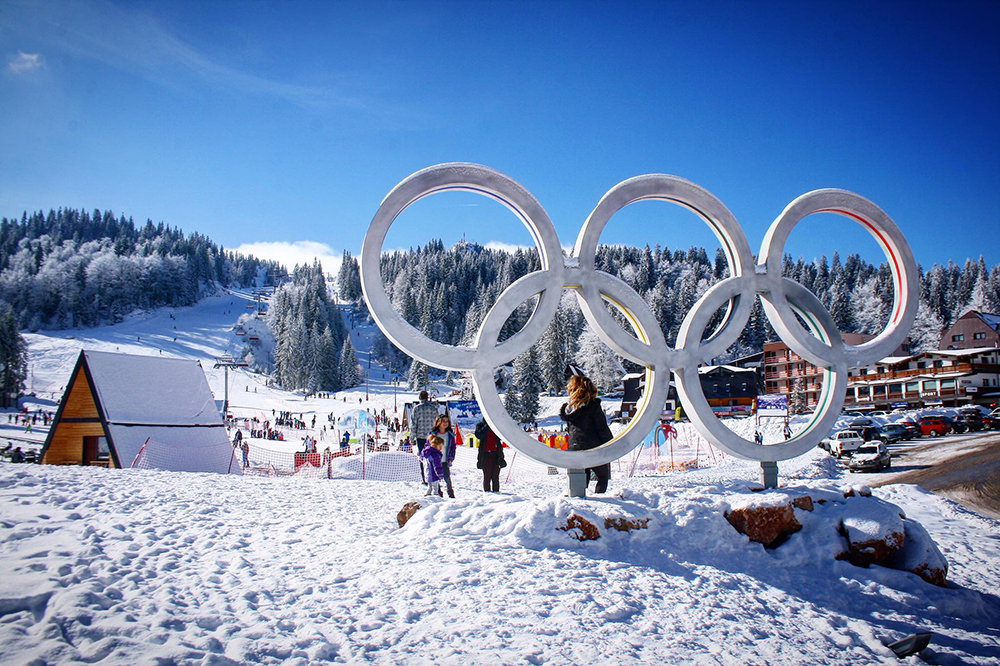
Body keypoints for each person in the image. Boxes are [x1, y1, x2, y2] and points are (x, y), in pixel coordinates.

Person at [559, 365, 613, 493]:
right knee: (603, 476)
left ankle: (582, 501)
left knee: (581, 478)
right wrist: (611, 444)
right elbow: (602, 428)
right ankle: (599, 500)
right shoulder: (593, 406)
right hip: (594, 448)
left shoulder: (569, 409)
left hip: (575, 447)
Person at [410, 391, 438, 483]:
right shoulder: (433, 408)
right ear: (427, 397)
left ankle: (424, 478)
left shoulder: (416, 409)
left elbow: (414, 424)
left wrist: (412, 438)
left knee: (423, 457)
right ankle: (434, 476)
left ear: (420, 398)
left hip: (421, 436)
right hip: (432, 436)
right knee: (433, 456)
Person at [430, 414, 457, 498]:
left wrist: (451, 458)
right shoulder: (433, 435)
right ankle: (438, 492)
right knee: (436, 476)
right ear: (438, 422)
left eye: (447, 421)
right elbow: (428, 446)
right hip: (435, 460)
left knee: (447, 477)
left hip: (445, 459)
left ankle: (450, 492)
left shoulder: (450, 435)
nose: (445, 423)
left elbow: (453, 448)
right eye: (443, 421)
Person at [475, 419, 506, 492]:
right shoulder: (480, 425)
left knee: (495, 476)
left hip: (496, 455)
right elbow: (478, 435)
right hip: (485, 455)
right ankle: (487, 493)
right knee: (487, 476)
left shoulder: (497, 425)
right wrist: (488, 426)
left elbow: (503, 435)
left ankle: (496, 492)